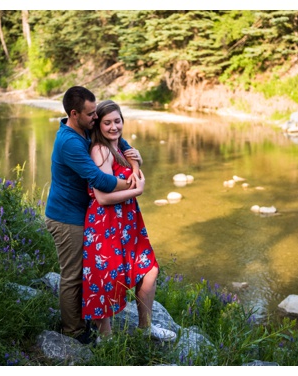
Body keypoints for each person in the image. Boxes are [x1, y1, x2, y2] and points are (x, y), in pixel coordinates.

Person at [45, 86, 143, 344]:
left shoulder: (85, 127)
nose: (97, 119)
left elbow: (118, 140)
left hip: (83, 214)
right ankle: (74, 332)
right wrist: (135, 186)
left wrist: (134, 161)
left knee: (87, 272)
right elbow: (100, 180)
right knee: (73, 276)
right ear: (74, 114)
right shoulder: (70, 142)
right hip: (66, 218)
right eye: (92, 115)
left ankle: (85, 320)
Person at [82, 100, 176, 342]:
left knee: (149, 269)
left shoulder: (122, 148)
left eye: (117, 121)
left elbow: (133, 176)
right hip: (106, 222)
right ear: (98, 125)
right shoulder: (100, 151)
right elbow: (103, 197)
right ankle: (107, 337)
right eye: (107, 122)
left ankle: (146, 328)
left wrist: (136, 161)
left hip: (127, 221)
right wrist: (137, 191)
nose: (114, 127)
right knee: (107, 275)